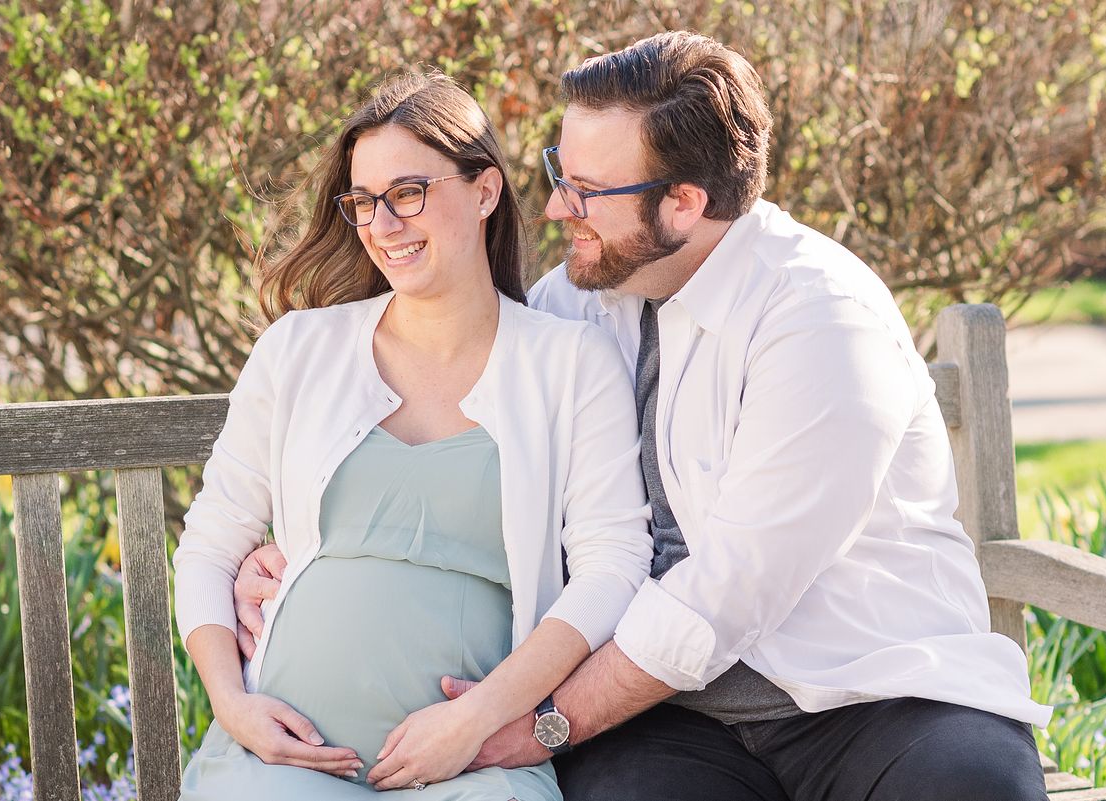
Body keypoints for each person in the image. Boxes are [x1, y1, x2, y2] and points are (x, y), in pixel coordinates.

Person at [236, 32, 1054, 801]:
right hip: (672, 719)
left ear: (683, 205)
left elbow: (727, 591)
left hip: (872, 693)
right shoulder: (578, 306)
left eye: (587, 191)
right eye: (562, 172)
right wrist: (299, 557)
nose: (557, 210)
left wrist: (544, 724)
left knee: (971, 788)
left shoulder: (820, 320)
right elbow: (453, 447)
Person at [172, 70, 652, 800]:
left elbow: (611, 566)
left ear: (484, 190)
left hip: (473, 767)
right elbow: (211, 541)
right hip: (287, 760)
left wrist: (482, 719)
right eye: (364, 202)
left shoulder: (569, 362)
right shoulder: (300, 349)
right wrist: (232, 706)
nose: (382, 225)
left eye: (407, 193)